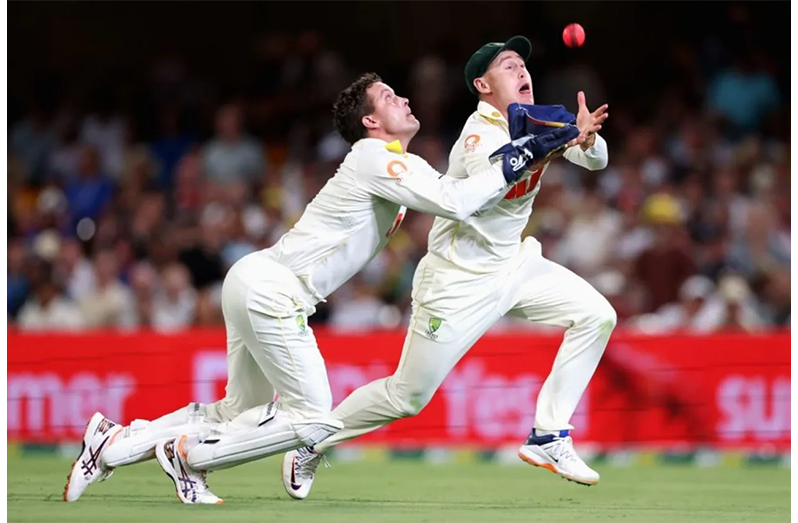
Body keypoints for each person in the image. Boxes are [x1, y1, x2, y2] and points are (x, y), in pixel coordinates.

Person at [63, 71, 576, 504]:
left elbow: (457, 193)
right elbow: (458, 201)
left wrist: (528, 153)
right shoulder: (374, 156)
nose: (404, 99)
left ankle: (113, 443)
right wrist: (525, 149)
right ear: (371, 122)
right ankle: (189, 454)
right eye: (390, 98)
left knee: (237, 410)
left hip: (254, 278)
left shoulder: (398, 164)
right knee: (312, 421)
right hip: (273, 290)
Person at [281, 35, 615, 500]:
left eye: (523, 64)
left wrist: (587, 138)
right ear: (482, 84)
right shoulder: (478, 137)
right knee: (406, 397)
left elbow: (595, 161)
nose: (522, 72)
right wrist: (554, 140)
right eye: (508, 66)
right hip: (457, 281)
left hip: (513, 265)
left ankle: (548, 434)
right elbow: (498, 174)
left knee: (597, 314)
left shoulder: (538, 118)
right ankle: (311, 440)